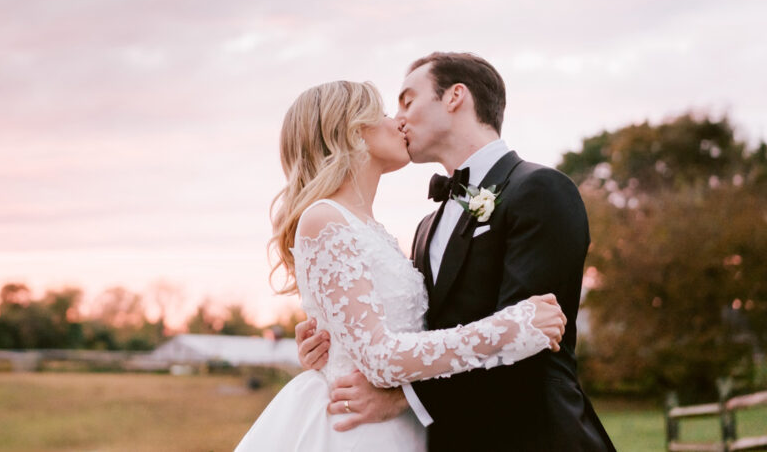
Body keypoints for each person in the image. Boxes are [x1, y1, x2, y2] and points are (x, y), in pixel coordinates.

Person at [295, 53, 616, 451]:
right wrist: (335, 345)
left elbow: (534, 340)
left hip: (531, 437)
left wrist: (402, 397)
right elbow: (414, 332)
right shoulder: (426, 228)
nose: (398, 119)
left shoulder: (541, 189)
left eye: (407, 102)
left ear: (455, 97)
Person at [235, 80, 567, 452]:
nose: (398, 123)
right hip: (357, 431)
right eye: (384, 114)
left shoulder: (372, 229)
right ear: (353, 131)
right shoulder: (324, 219)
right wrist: (512, 328)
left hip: (405, 427)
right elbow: (379, 357)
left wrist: (338, 337)